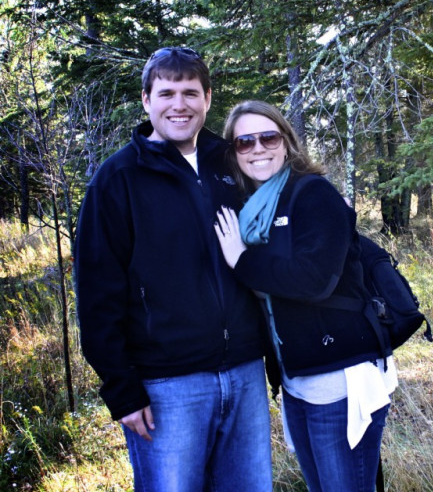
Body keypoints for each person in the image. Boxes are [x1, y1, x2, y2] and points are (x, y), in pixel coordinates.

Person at [74, 48, 273, 491]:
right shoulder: (117, 180)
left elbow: (276, 231)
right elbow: (95, 293)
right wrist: (121, 389)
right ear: (146, 100)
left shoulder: (233, 163)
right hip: (166, 386)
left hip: (244, 373)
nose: (178, 104)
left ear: (207, 98)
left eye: (189, 92)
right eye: (166, 93)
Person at [213, 100, 398, 492]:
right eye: (244, 142)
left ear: (287, 142)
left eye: (268, 137)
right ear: (233, 153)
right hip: (296, 382)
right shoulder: (253, 210)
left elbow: (315, 280)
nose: (258, 148)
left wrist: (241, 261)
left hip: (340, 380)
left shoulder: (313, 194)